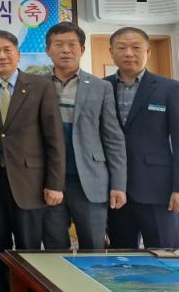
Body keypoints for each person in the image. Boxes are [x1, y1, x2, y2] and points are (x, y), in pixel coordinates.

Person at [0, 30, 65, 292]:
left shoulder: (40, 86)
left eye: (7, 50)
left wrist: (54, 183)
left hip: (30, 184)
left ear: (18, 54)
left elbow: (54, 139)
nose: (1, 56)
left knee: (29, 251)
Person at [42, 22, 126, 250]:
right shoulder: (37, 85)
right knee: (54, 249)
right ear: (48, 50)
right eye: (58, 44)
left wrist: (118, 185)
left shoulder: (101, 87)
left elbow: (113, 138)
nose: (65, 50)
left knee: (94, 248)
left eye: (72, 44)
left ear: (82, 49)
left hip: (90, 181)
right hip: (49, 181)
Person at [105, 27, 179, 249]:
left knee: (164, 255)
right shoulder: (101, 87)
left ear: (148, 52)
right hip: (115, 192)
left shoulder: (169, 88)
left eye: (136, 47)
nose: (129, 53)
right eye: (122, 47)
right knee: (122, 258)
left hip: (159, 191)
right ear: (112, 52)